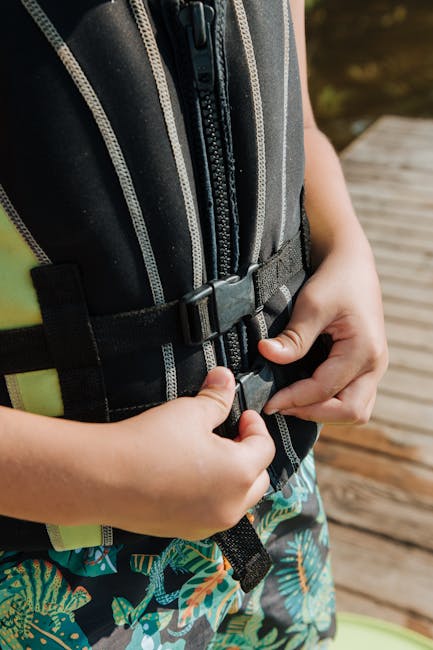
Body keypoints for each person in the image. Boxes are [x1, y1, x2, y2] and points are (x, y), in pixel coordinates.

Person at [0, 0, 388, 648]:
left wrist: (344, 242)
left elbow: (298, 115)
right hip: (55, 578)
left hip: (277, 497)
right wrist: (107, 475)